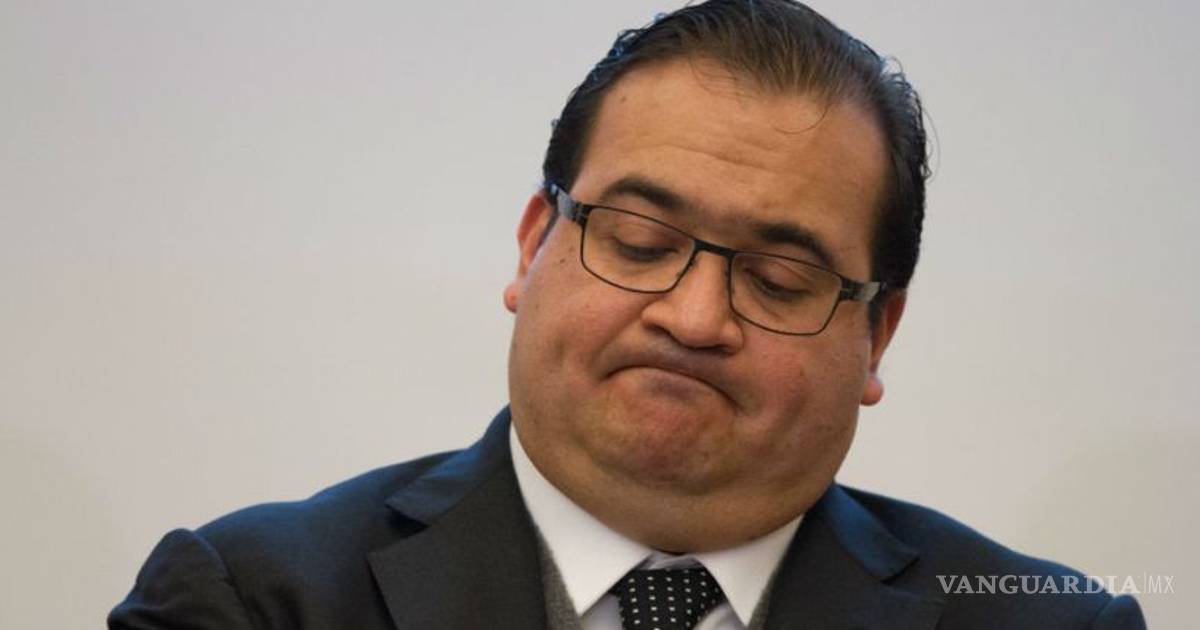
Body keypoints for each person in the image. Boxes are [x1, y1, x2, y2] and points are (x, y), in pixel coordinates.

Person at [109, 1, 1146, 628]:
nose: (694, 318)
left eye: (779, 279)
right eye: (640, 242)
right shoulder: (256, 601)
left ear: (876, 334)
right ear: (533, 247)